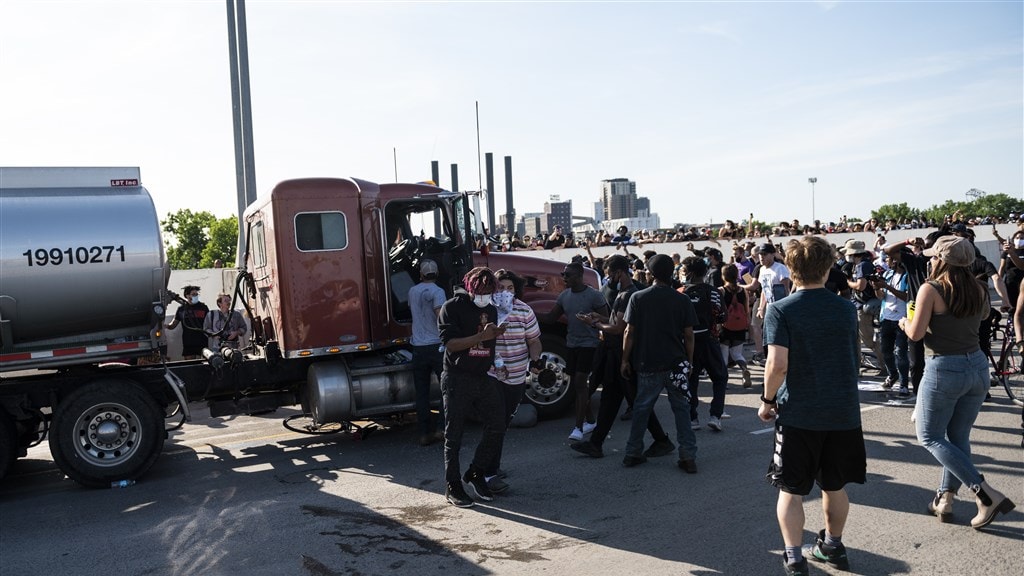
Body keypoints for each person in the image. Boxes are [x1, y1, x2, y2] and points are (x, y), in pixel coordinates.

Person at [759, 236, 865, 576]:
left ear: (790, 268)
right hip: (843, 410)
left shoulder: (781, 309)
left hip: (800, 413)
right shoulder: (846, 308)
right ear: (829, 266)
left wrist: (767, 400)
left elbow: (777, 364)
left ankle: (794, 556)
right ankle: (833, 545)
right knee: (835, 485)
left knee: (790, 489)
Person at [898, 236, 1016, 529]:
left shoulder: (931, 288)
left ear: (940, 260)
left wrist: (904, 322)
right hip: (976, 365)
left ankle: (984, 493)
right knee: (958, 436)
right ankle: (945, 498)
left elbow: (915, 334)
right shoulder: (977, 286)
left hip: (944, 367)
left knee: (929, 436)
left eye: (933, 257)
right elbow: (985, 315)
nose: (929, 261)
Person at [570, 255, 675, 459]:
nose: (608, 278)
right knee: (611, 399)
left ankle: (661, 440)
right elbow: (615, 320)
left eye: (610, 273)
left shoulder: (628, 295)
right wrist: (598, 318)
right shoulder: (625, 293)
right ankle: (596, 443)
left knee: (637, 401)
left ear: (619, 272)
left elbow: (619, 328)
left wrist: (594, 324)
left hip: (622, 356)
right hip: (616, 356)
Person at [621, 254, 699, 472]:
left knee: (641, 409)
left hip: (647, 362)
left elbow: (629, 332)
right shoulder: (681, 299)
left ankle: (632, 452)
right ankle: (688, 456)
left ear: (651, 273)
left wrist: (625, 359)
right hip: (676, 363)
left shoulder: (638, 298)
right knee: (682, 410)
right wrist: (689, 362)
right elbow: (689, 335)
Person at [438, 267, 508, 507]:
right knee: (454, 435)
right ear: (470, 288)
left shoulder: (490, 309)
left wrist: (496, 358)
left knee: (498, 423)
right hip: (457, 377)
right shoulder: (452, 307)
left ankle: (476, 472)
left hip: (482, 376)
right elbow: (451, 345)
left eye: (489, 292)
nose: (484, 296)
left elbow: (490, 343)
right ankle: (453, 485)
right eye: (480, 292)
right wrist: (481, 337)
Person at [483, 269, 543, 493]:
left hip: (517, 376)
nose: (505, 292)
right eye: (501, 288)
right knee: (495, 422)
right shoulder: (487, 311)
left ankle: (492, 467)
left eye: (510, 288)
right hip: (491, 375)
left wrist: (535, 359)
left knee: (503, 423)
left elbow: (534, 341)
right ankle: (487, 474)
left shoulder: (524, 310)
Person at [539, 262, 608, 441]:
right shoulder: (564, 296)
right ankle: (591, 421)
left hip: (590, 344)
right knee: (579, 386)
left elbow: (608, 318)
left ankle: (578, 427)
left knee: (579, 382)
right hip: (572, 344)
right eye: (563, 274)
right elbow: (550, 318)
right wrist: (525, 312)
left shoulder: (594, 295)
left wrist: (593, 320)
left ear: (579, 276)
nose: (564, 278)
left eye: (567, 275)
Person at [679, 256, 729, 431]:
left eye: (683, 270)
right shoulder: (714, 291)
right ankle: (716, 416)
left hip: (687, 344)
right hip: (710, 341)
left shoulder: (680, 292)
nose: (681, 273)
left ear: (690, 273)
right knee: (720, 378)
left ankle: (693, 418)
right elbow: (723, 316)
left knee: (691, 380)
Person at [408, 259, 447, 447]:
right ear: (437, 274)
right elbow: (440, 314)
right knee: (445, 389)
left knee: (421, 393)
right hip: (436, 346)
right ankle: (441, 428)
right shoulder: (438, 292)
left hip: (418, 347)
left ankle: (424, 433)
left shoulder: (412, 291)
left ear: (421, 274)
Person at [843, 239, 886, 377]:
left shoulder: (862, 266)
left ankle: (886, 367)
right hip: (863, 304)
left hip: (863, 306)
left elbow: (860, 286)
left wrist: (848, 283)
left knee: (868, 340)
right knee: (865, 339)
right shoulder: (864, 264)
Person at [872, 255, 910, 395]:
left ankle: (904, 383)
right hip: (886, 318)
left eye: (890, 259)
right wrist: (877, 288)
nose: (887, 261)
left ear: (897, 261)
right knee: (885, 351)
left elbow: (906, 296)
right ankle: (893, 374)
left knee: (901, 352)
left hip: (902, 319)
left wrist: (887, 286)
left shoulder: (907, 276)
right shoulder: (888, 274)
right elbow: (881, 296)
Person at [165, 285, 209, 360]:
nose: (196, 296)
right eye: (193, 294)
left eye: (196, 294)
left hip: (202, 341)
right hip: (188, 342)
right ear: (187, 296)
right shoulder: (182, 309)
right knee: (190, 365)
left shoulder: (203, 307)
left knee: (203, 364)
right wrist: (164, 325)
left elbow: (209, 323)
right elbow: (173, 325)